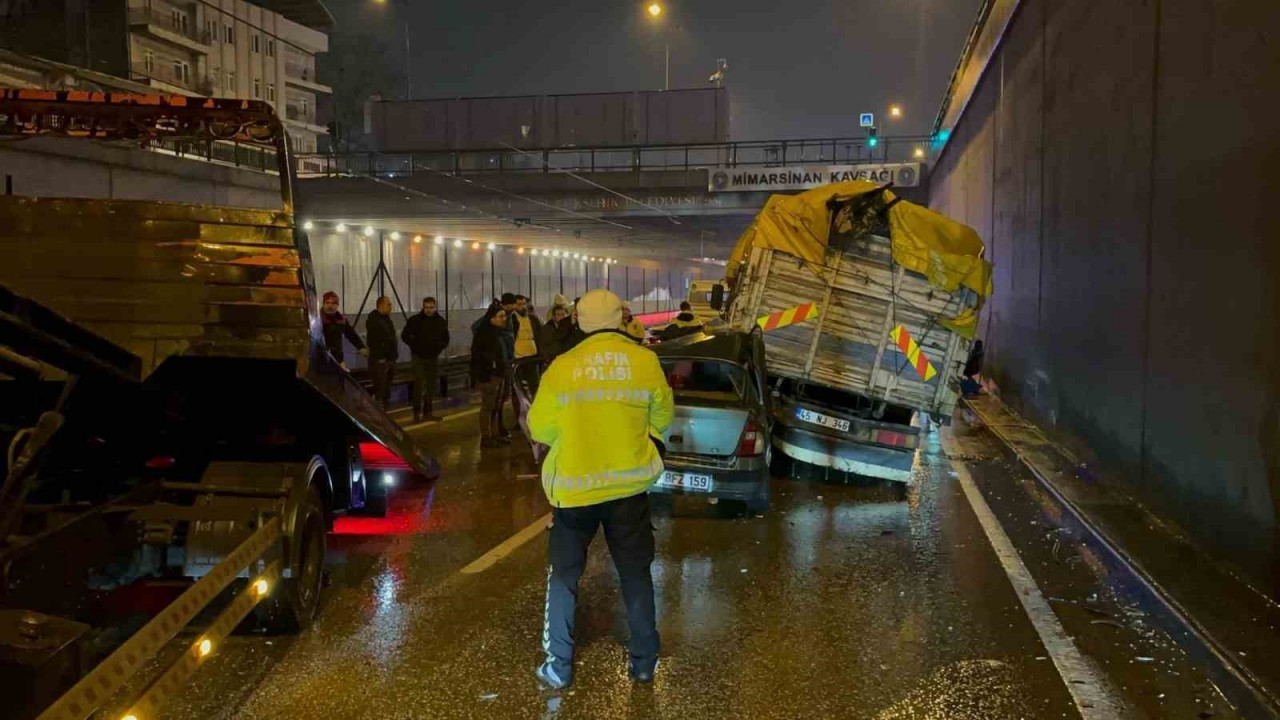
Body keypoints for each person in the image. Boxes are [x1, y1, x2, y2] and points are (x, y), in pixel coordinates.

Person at [527, 289, 675, 690]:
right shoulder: (645, 361)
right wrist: (650, 446)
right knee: (635, 574)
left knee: (564, 577)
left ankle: (559, 666)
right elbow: (663, 415)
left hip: (575, 492)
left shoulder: (563, 366)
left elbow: (540, 428)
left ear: (577, 319)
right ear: (621, 318)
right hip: (629, 490)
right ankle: (644, 663)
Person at [401, 296, 450, 422]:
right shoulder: (414, 320)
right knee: (418, 384)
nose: (428, 310)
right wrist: (414, 345)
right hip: (418, 357)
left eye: (431, 307)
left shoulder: (440, 322)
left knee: (431, 386)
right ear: (423, 307)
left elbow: (446, 339)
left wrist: (438, 348)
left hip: (432, 357)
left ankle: (428, 412)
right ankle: (417, 413)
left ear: (435, 307)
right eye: (426, 307)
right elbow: (404, 335)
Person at [471, 304, 508, 448]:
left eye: (504, 316)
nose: (504, 319)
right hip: (488, 375)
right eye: (501, 316)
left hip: (497, 374)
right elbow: (478, 357)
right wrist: (483, 374)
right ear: (492, 318)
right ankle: (486, 436)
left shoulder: (497, 333)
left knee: (496, 405)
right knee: (488, 406)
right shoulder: (484, 334)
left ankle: (495, 433)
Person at [508, 294, 542, 417]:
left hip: (532, 358)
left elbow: (539, 335)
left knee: (535, 386)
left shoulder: (533, 319)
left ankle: (538, 413)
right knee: (518, 390)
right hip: (518, 360)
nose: (522, 307)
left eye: (524, 304)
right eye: (519, 304)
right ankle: (520, 417)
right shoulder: (511, 319)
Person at [320, 291, 368, 369]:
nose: (330, 306)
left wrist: (361, 347)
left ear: (337, 305)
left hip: (338, 359)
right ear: (323, 304)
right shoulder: (316, 320)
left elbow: (351, 334)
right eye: (327, 302)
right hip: (320, 359)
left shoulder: (341, 320)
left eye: (333, 303)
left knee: (339, 379)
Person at [366, 296, 399, 408]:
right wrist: (380, 356)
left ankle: (386, 407)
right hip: (380, 359)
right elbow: (374, 340)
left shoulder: (386, 319)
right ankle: (379, 410)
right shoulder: (374, 320)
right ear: (381, 305)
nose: (391, 307)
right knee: (380, 385)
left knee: (387, 385)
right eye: (389, 304)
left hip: (390, 358)